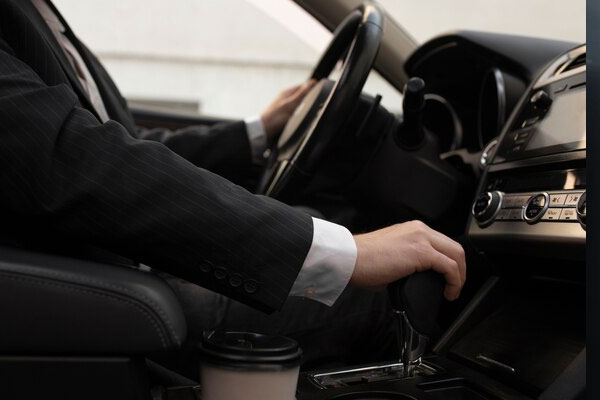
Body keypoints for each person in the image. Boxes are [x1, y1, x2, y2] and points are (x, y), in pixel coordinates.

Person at [0, 0, 466, 368]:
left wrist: (258, 131)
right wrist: (349, 255)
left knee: (331, 221)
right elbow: (80, 161)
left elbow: (123, 146)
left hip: (120, 268)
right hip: (96, 293)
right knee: (388, 289)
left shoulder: (36, 11)